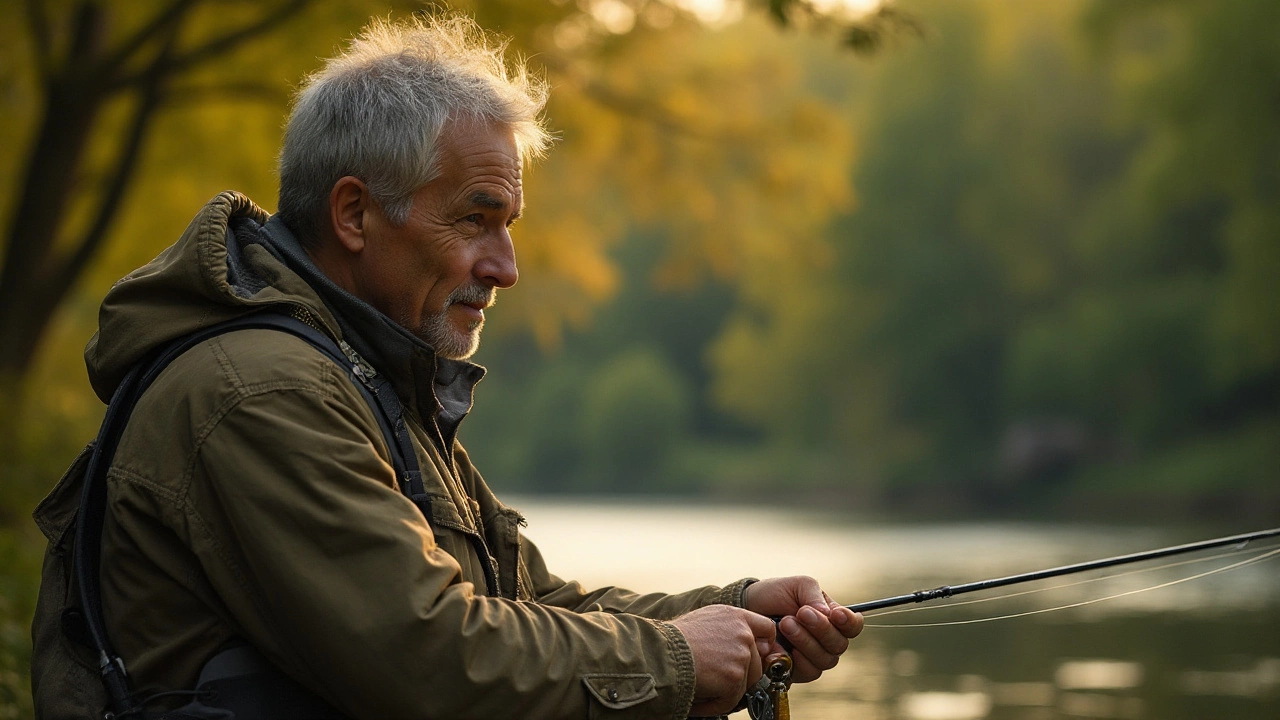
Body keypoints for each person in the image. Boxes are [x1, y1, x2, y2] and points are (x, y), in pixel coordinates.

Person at [31, 15, 862, 719]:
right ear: (354, 213)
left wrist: (731, 610)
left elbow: (526, 608)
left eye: (510, 225)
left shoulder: (363, 375)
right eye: (476, 219)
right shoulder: (263, 391)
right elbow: (426, 651)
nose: (505, 267)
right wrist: (676, 662)